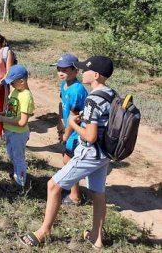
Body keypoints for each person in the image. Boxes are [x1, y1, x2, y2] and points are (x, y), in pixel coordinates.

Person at [20, 56, 114, 249]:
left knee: (53, 186)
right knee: (97, 193)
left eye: (85, 70)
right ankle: (97, 237)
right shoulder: (111, 93)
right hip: (105, 153)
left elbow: (90, 136)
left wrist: (72, 124)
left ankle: (44, 232)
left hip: (91, 152)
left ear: (95, 75)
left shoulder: (93, 99)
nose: (82, 72)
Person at [53, 53, 88, 206]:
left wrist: (65, 136)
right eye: (58, 69)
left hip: (76, 131)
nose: (61, 72)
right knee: (68, 160)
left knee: (69, 161)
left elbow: (74, 117)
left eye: (65, 70)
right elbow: (62, 105)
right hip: (68, 128)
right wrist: (60, 122)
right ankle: (73, 191)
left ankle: (75, 196)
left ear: (76, 71)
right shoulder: (65, 84)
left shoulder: (77, 90)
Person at [0, 64, 35, 187]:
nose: (10, 85)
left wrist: (2, 118)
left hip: (18, 133)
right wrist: (3, 113)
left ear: (22, 81)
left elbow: (22, 122)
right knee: (12, 154)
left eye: (12, 82)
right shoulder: (16, 92)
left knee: (18, 158)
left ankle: (20, 182)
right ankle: (17, 174)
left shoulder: (26, 96)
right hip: (10, 130)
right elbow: (12, 110)